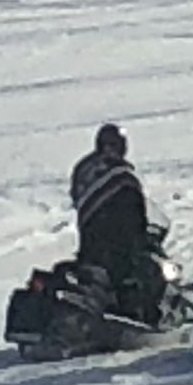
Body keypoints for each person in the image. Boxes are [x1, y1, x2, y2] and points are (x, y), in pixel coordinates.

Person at [68, 122, 155, 318]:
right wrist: (140, 230)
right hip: (114, 238)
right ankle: (131, 312)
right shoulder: (121, 173)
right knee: (131, 270)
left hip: (88, 233)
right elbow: (134, 207)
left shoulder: (84, 167)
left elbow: (76, 197)